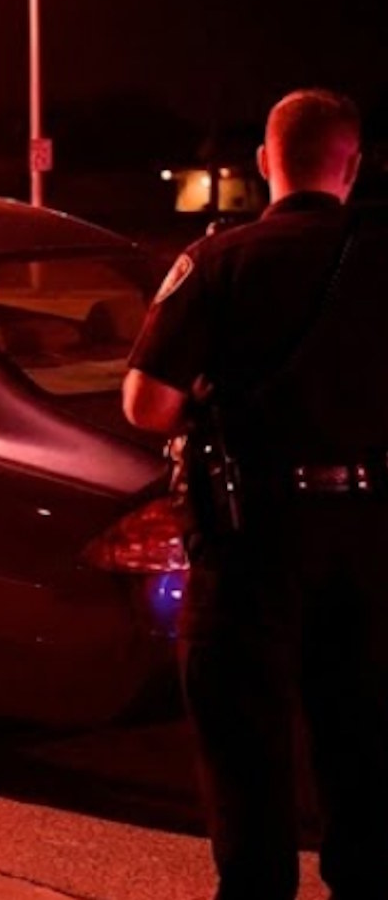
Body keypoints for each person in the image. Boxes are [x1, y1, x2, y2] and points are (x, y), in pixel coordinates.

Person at [123, 88, 388, 900]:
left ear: (266, 163)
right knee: (366, 748)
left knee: (247, 755)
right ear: (353, 164)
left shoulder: (216, 261)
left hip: (251, 540)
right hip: (372, 545)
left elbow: (145, 406)